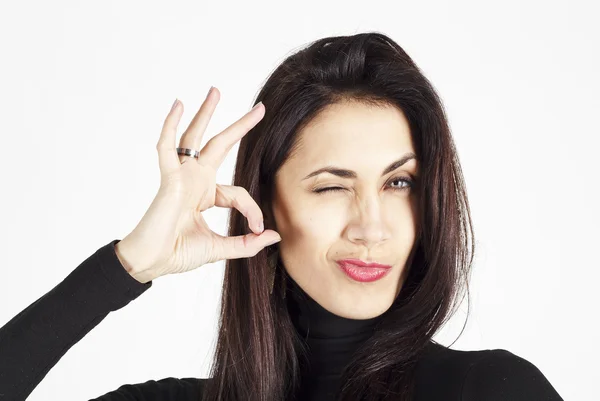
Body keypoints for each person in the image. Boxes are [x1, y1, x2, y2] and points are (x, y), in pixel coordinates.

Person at [0, 32, 564, 401]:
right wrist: (125, 266)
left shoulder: (493, 389)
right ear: (263, 203)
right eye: (331, 187)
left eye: (398, 183)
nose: (372, 227)